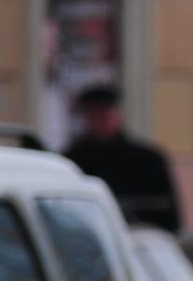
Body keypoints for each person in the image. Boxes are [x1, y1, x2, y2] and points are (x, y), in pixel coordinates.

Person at [61, 84, 184, 233]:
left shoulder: (148, 160)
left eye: (104, 117)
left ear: (117, 115)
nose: (99, 123)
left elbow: (170, 217)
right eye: (92, 117)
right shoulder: (72, 160)